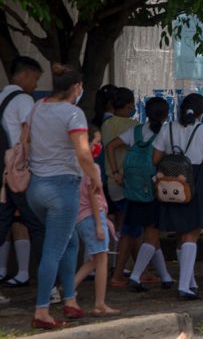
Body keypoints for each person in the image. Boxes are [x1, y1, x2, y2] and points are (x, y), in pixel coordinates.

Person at [27, 63, 101, 329]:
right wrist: (95, 177)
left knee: (69, 241)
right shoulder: (73, 114)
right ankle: (42, 311)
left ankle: (70, 299)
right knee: (54, 249)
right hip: (63, 188)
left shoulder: (36, 107)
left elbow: (25, 142)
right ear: (77, 88)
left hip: (35, 188)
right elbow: (83, 153)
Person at [153, 93, 203, 300]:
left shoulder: (167, 128)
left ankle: (190, 281)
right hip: (196, 181)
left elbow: (155, 158)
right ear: (201, 112)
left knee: (180, 233)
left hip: (172, 183)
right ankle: (184, 286)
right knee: (192, 233)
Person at [106, 97, 174, 292]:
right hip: (155, 189)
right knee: (152, 232)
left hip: (133, 188)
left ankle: (165, 276)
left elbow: (110, 146)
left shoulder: (136, 131)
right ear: (166, 114)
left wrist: (116, 172)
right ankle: (137, 275)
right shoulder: (166, 132)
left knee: (136, 230)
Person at [0, 56, 45, 294]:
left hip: (2, 173)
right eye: (36, 79)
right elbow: (31, 135)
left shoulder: (0, 98)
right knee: (37, 224)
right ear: (25, 75)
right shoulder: (23, 100)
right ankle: (50, 284)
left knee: (2, 223)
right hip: (18, 173)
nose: (35, 85)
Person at [73, 126, 119, 316]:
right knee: (101, 259)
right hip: (93, 216)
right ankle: (99, 303)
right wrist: (100, 224)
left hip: (81, 216)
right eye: (96, 142)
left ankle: (68, 289)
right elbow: (93, 196)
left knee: (95, 259)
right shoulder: (92, 167)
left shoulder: (74, 165)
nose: (98, 145)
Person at [102, 87, 141, 287]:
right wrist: (119, 172)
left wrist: (113, 172)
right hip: (127, 183)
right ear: (128, 106)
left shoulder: (107, 124)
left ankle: (140, 269)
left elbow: (107, 148)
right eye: (132, 104)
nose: (134, 107)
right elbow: (113, 147)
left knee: (131, 227)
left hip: (111, 182)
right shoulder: (133, 126)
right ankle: (119, 273)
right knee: (130, 229)